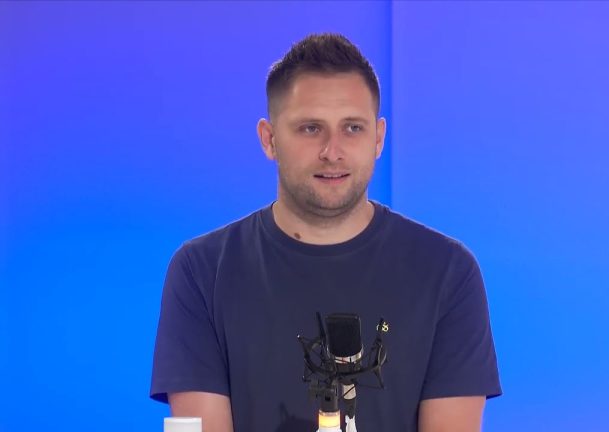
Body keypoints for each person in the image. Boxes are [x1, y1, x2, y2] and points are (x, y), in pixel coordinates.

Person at [150, 33, 501, 432]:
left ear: (378, 139)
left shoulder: (447, 271)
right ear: (269, 139)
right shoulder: (201, 271)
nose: (332, 151)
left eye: (352, 127)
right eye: (310, 128)